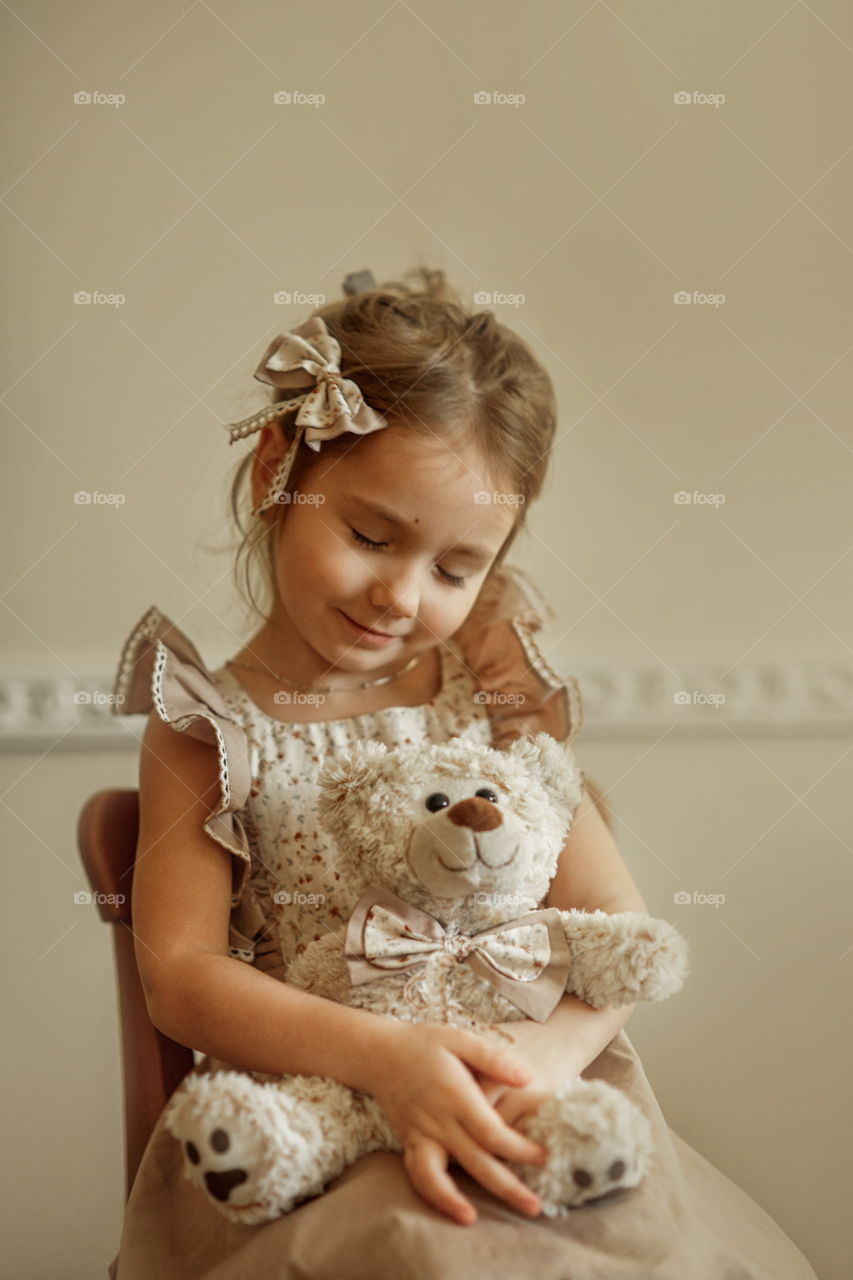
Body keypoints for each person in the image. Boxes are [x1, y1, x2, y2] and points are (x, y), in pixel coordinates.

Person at [106, 267, 817, 1278]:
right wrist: (394, 1062)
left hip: (528, 1088)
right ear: (278, 467)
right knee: (420, 1241)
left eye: (454, 567)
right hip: (324, 1110)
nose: (401, 593)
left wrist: (518, 1073)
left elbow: (615, 933)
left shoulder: (491, 691)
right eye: (368, 535)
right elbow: (181, 976)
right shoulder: (207, 723)